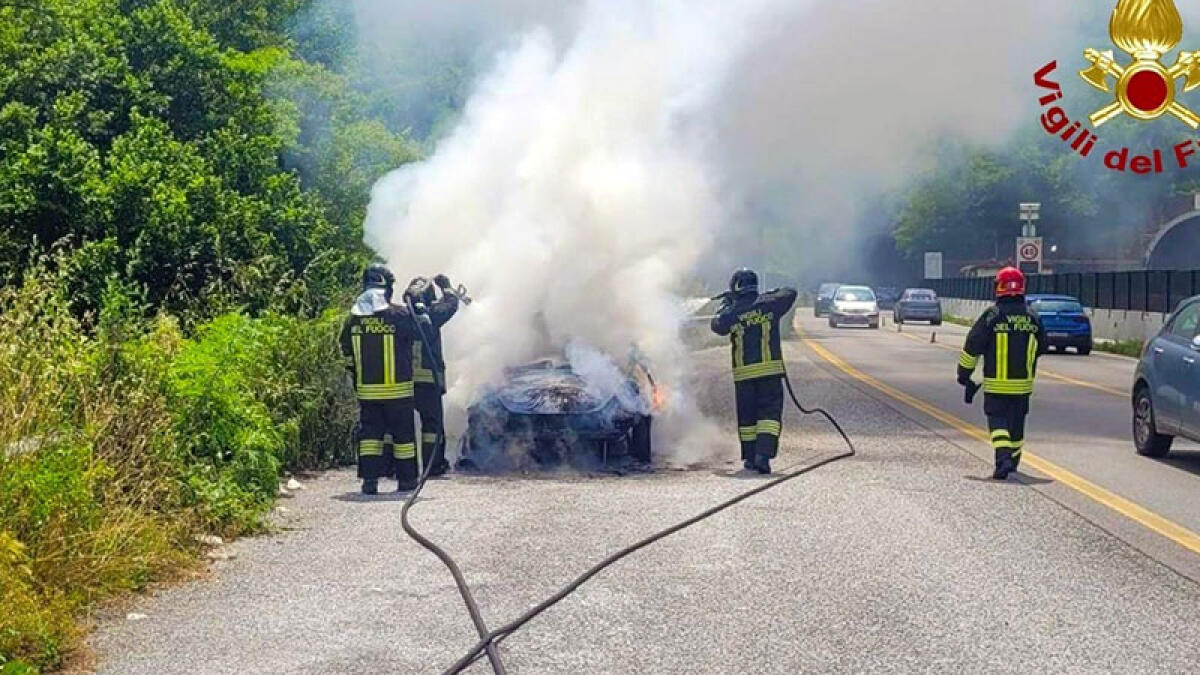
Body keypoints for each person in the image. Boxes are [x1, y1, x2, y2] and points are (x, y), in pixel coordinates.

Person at [340, 264, 428, 494]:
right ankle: (407, 481)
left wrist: (357, 379)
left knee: (370, 438)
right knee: (404, 439)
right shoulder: (398, 315)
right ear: (387, 288)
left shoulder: (353, 320)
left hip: (368, 393)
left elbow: (346, 350)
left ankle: (369, 482)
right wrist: (416, 301)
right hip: (398, 392)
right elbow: (424, 330)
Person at [957, 266, 1046, 480]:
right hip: (1023, 386)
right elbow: (1043, 345)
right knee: (1016, 425)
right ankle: (1013, 459)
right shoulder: (1032, 317)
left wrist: (964, 375)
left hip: (997, 385)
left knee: (998, 423)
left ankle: (1003, 459)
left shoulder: (992, 316)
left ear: (999, 287)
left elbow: (973, 346)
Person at [710, 268, 798, 474]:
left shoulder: (732, 313)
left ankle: (750, 457)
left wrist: (727, 306)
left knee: (747, 418)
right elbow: (790, 292)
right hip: (770, 373)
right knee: (769, 416)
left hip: (744, 376)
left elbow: (717, 326)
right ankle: (763, 456)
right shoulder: (770, 304)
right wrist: (766, 296)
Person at [404, 274, 460, 477]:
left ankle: (398, 467)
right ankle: (433, 466)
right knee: (432, 427)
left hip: (403, 383)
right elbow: (452, 305)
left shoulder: (400, 316)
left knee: (402, 426)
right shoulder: (433, 314)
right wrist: (446, 286)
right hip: (428, 382)